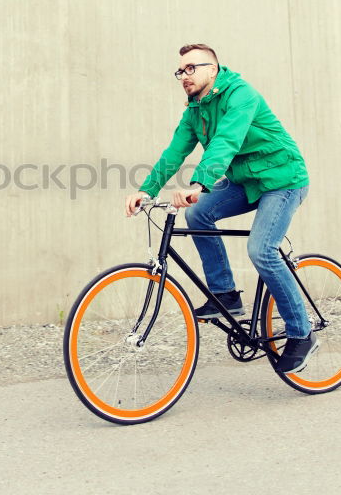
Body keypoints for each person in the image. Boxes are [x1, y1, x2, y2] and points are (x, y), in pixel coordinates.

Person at [124, 43, 316, 374]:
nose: (184, 76)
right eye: (180, 71)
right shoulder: (195, 111)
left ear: (212, 70)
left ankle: (302, 332)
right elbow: (174, 152)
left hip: (283, 178)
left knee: (262, 250)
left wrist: (199, 185)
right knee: (198, 214)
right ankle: (225, 294)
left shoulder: (242, 95)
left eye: (191, 68)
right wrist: (146, 189)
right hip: (245, 180)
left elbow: (227, 141)